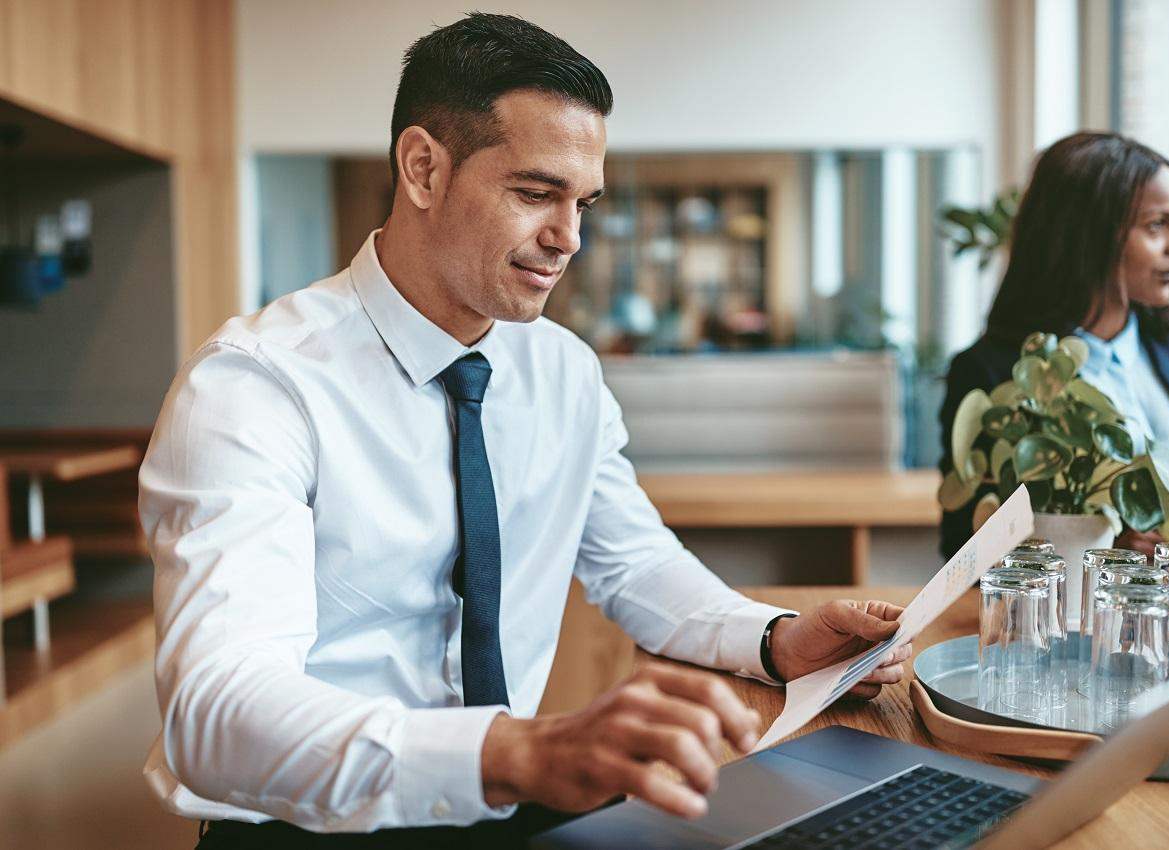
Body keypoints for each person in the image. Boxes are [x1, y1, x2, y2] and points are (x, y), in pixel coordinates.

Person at [141, 14, 911, 848]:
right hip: (308, 821)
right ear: (423, 168)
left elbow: (636, 564)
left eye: (583, 203)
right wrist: (515, 750)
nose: (568, 239)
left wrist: (776, 639)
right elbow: (215, 716)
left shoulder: (564, 373)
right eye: (535, 194)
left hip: (501, 793)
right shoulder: (255, 386)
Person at [939, 131, 1169, 560]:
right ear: (1091, 236)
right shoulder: (991, 371)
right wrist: (1095, 548)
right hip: (1064, 621)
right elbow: (962, 545)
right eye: (1157, 225)